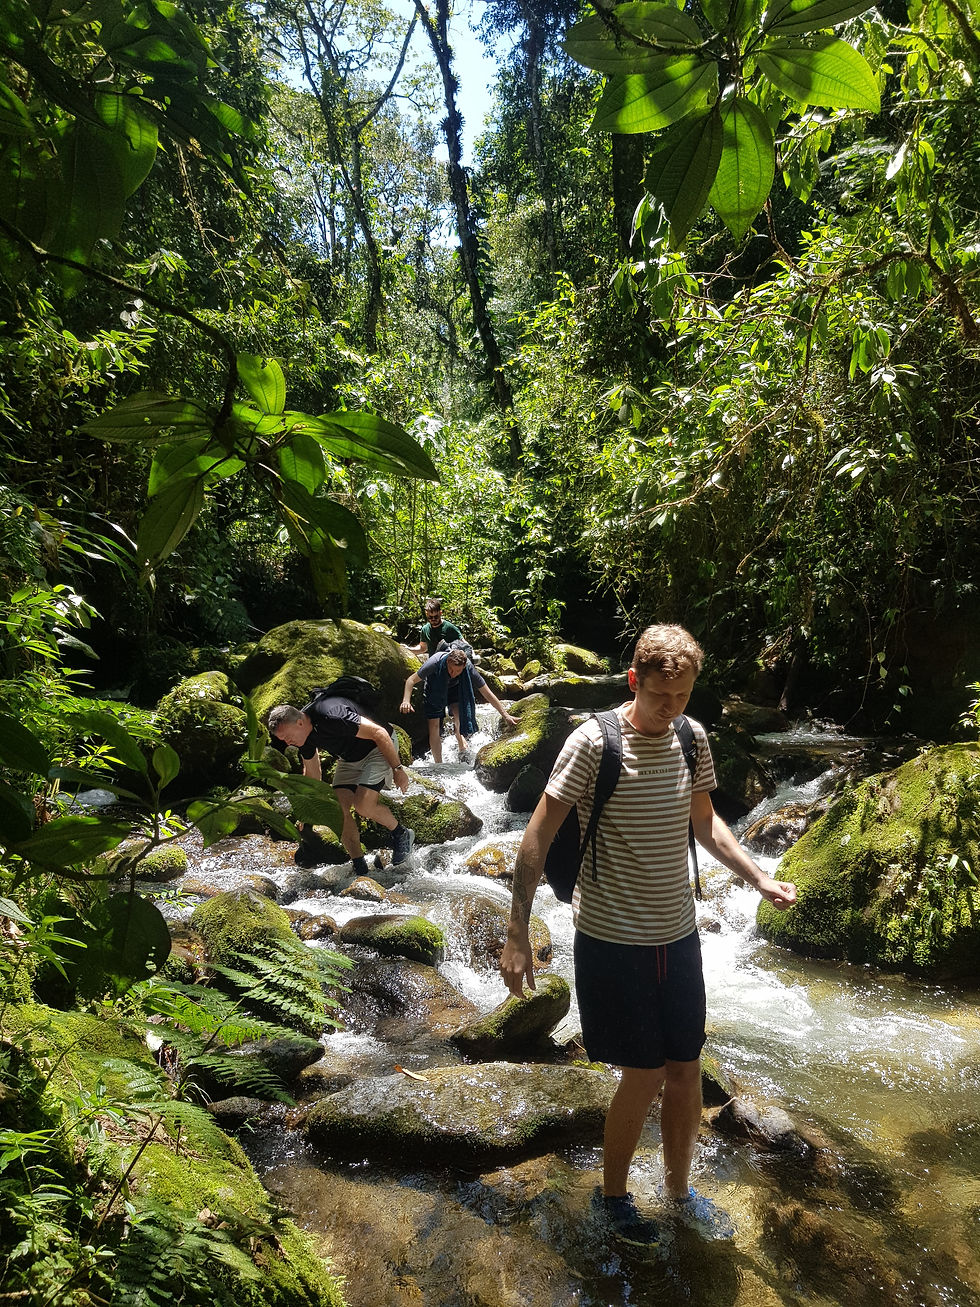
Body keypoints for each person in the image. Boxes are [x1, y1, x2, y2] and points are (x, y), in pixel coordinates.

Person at [499, 623, 797, 1246]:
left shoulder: (693, 739)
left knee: (686, 1069)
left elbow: (708, 824)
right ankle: (613, 1197)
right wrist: (518, 929)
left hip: (678, 936)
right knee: (643, 1074)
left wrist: (758, 877)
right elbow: (538, 834)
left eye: (683, 696)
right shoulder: (593, 743)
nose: (672, 709)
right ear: (634, 681)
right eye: (662, 696)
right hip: (611, 940)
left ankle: (681, 1192)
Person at [267, 692, 415, 875]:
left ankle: (401, 833)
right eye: (283, 740)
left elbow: (379, 733)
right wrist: (307, 812)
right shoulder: (303, 737)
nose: (288, 742)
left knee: (363, 805)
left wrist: (398, 769)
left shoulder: (332, 714)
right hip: (348, 759)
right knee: (338, 810)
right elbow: (313, 775)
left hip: (378, 748)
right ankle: (360, 866)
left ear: (299, 722)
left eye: (288, 737)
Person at [400, 642, 518, 763]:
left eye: (458, 671)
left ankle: (460, 740)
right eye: (451, 670)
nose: (453, 674)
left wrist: (506, 715)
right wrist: (406, 700)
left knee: (459, 717)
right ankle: (439, 764)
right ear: (447, 662)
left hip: (456, 690)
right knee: (434, 726)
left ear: (463, 667)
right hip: (435, 689)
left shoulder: (469, 668)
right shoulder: (434, 662)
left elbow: (487, 693)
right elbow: (411, 680)